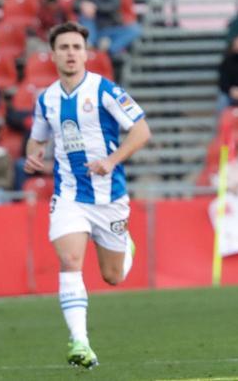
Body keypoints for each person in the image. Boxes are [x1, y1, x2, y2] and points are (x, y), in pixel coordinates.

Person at [24, 22, 152, 368]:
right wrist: (33, 154)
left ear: (85, 54)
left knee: (113, 276)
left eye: (76, 47)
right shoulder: (46, 98)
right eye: (63, 47)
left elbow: (141, 131)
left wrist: (111, 160)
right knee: (70, 261)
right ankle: (80, 342)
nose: (70, 53)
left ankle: (125, 245)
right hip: (69, 195)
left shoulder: (105, 91)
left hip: (110, 196)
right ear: (52, 55)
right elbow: (36, 138)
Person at [76, 0, 140, 58]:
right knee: (86, 15)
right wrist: (83, 5)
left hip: (111, 28)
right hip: (94, 29)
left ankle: (109, 50)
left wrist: (94, 7)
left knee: (135, 29)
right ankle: (90, 45)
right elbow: (75, 4)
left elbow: (112, 6)